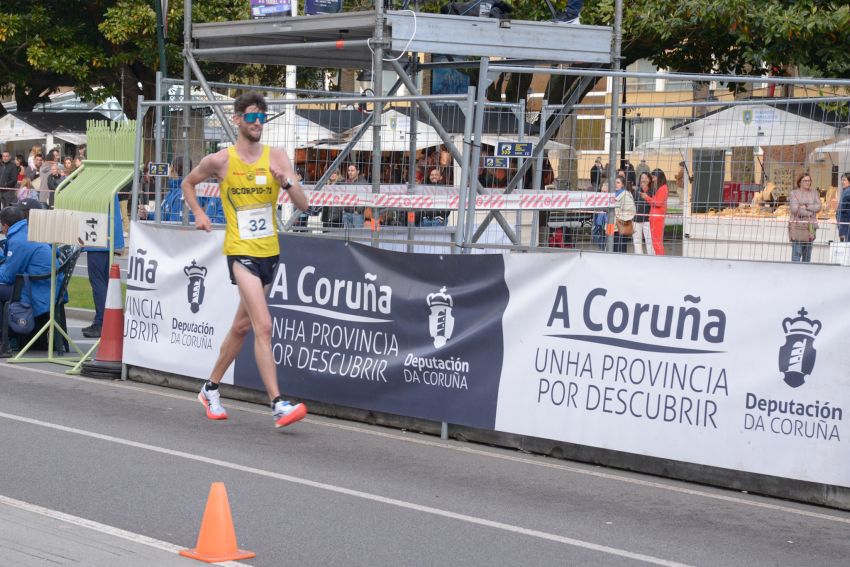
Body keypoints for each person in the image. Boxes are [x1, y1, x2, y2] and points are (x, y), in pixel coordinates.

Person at [181, 91, 310, 428]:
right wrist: (198, 213)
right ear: (237, 119)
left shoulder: (277, 156)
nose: (257, 123)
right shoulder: (220, 161)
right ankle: (278, 403)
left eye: (262, 117)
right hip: (241, 253)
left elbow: (304, 204)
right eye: (251, 117)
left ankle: (209, 388)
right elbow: (188, 183)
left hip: (269, 253)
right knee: (263, 326)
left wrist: (287, 181)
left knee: (241, 327)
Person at [0, 206, 55, 329]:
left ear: (5, 225)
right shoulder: (26, 231)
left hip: (35, 290)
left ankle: (5, 335)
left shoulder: (19, 239)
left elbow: (8, 276)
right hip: (43, 286)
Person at [789, 173, 821, 263]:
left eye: (809, 180)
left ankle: (806, 274)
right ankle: (795, 272)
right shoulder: (794, 193)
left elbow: (818, 207)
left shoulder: (814, 193)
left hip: (811, 225)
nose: (808, 182)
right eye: (805, 180)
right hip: (798, 225)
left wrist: (805, 206)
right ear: (800, 182)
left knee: (807, 254)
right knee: (796, 253)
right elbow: (794, 209)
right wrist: (811, 210)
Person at [642, 169, 669, 255]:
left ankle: (660, 260)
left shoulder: (663, 188)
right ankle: (659, 259)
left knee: (657, 242)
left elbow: (658, 203)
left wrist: (646, 197)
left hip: (657, 218)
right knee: (655, 242)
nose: (652, 179)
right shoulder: (659, 188)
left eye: (653, 177)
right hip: (655, 217)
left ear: (659, 177)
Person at [632, 171, 654, 255]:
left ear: (649, 180)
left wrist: (647, 197)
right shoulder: (636, 191)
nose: (643, 180)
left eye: (645, 178)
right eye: (642, 178)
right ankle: (639, 258)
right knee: (636, 240)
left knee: (649, 240)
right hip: (636, 219)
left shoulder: (653, 191)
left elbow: (654, 203)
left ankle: (651, 258)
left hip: (647, 220)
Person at [613, 175, 635, 253]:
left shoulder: (626, 195)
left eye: (618, 183)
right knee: (611, 250)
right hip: (611, 227)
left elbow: (630, 211)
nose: (616, 184)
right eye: (615, 182)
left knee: (620, 250)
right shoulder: (612, 194)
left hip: (620, 227)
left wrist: (619, 218)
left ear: (622, 185)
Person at [341, 164, 367, 228]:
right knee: (346, 235)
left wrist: (358, 211)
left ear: (357, 172)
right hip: (346, 213)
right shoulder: (346, 183)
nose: (350, 172)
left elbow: (364, 198)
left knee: (357, 235)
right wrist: (343, 209)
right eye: (349, 170)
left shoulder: (363, 183)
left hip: (357, 214)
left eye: (352, 170)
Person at [836, 173, 850, 242]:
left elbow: (841, 211)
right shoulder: (845, 191)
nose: (842, 182)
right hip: (845, 225)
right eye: (841, 180)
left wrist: (841, 230)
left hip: (846, 226)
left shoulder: (847, 193)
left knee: (846, 248)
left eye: (844, 180)